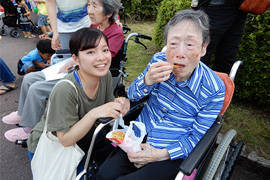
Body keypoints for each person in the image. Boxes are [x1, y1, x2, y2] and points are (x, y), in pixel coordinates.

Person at [95, 9, 226, 180]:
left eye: (190, 44)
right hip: (140, 134)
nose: (180, 52)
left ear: (203, 49)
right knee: (104, 175)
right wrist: (147, 80)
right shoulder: (158, 60)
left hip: (171, 150)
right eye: (173, 43)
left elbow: (196, 137)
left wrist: (159, 154)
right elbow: (133, 95)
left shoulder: (214, 89)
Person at [3, 0, 124, 142]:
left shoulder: (114, 33)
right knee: (30, 78)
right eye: (88, 5)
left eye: (94, 6)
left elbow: (101, 61)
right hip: (77, 67)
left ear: (108, 13)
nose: (89, 10)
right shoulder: (94, 26)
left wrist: (74, 61)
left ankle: (31, 129)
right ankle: (24, 113)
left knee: (36, 88)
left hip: (86, 75)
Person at [26, 27, 130, 176]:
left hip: (81, 144)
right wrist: (93, 113)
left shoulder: (105, 75)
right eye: (90, 52)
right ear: (75, 59)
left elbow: (108, 104)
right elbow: (65, 140)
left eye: (105, 50)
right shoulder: (66, 89)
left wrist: (121, 102)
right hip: (52, 150)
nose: (101, 57)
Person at [191, 0, 248, 74]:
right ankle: (189, 84)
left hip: (240, 8)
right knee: (200, 53)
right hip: (214, 5)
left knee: (227, 58)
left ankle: (220, 84)